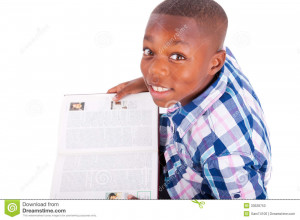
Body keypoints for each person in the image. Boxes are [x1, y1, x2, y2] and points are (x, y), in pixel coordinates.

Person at [107, 0, 271, 199]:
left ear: (215, 63)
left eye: (177, 56)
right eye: (149, 52)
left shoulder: (223, 156)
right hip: (180, 160)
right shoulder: (213, 59)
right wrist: (146, 83)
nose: (154, 71)